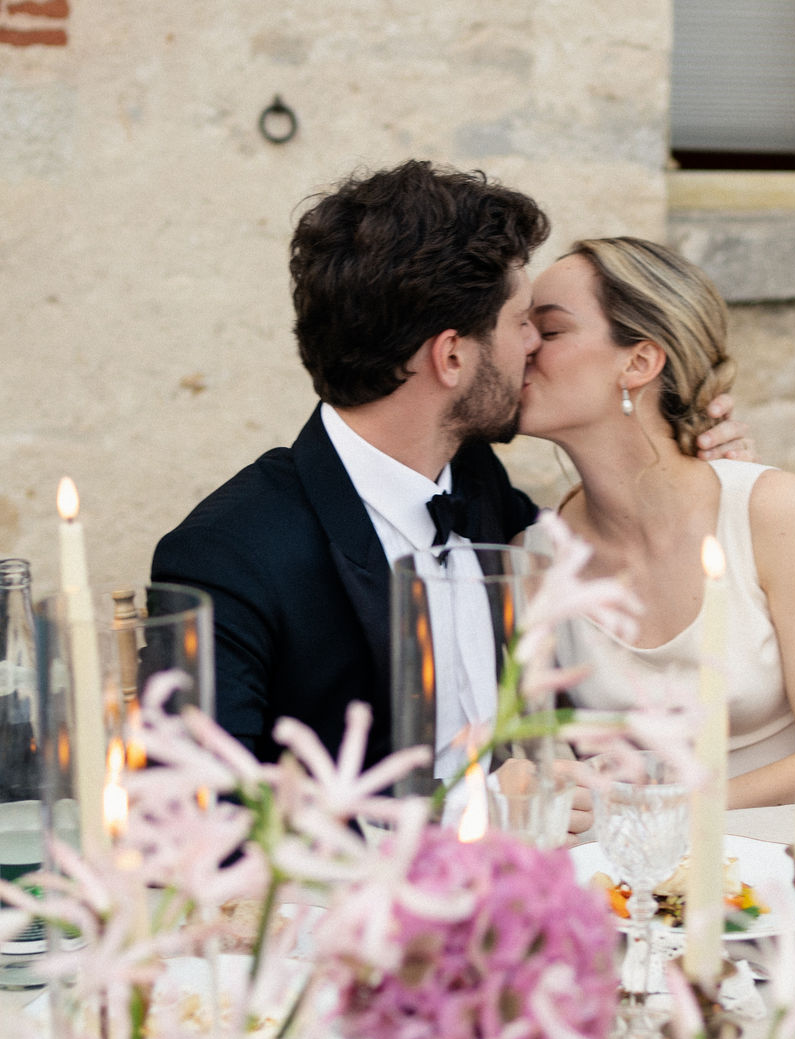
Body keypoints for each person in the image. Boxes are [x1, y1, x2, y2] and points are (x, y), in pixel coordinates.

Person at [151, 162, 748, 771]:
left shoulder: (479, 483)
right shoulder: (228, 556)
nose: (532, 346)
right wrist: (476, 808)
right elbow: (198, 809)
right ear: (452, 357)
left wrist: (703, 464)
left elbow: (612, 544)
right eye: (522, 323)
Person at [520, 237, 795, 810]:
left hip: (791, 852)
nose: (524, 347)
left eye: (550, 330)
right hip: (625, 863)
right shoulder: (536, 555)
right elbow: (538, 758)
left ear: (639, 362)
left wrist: (661, 814)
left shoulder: (770, 511)